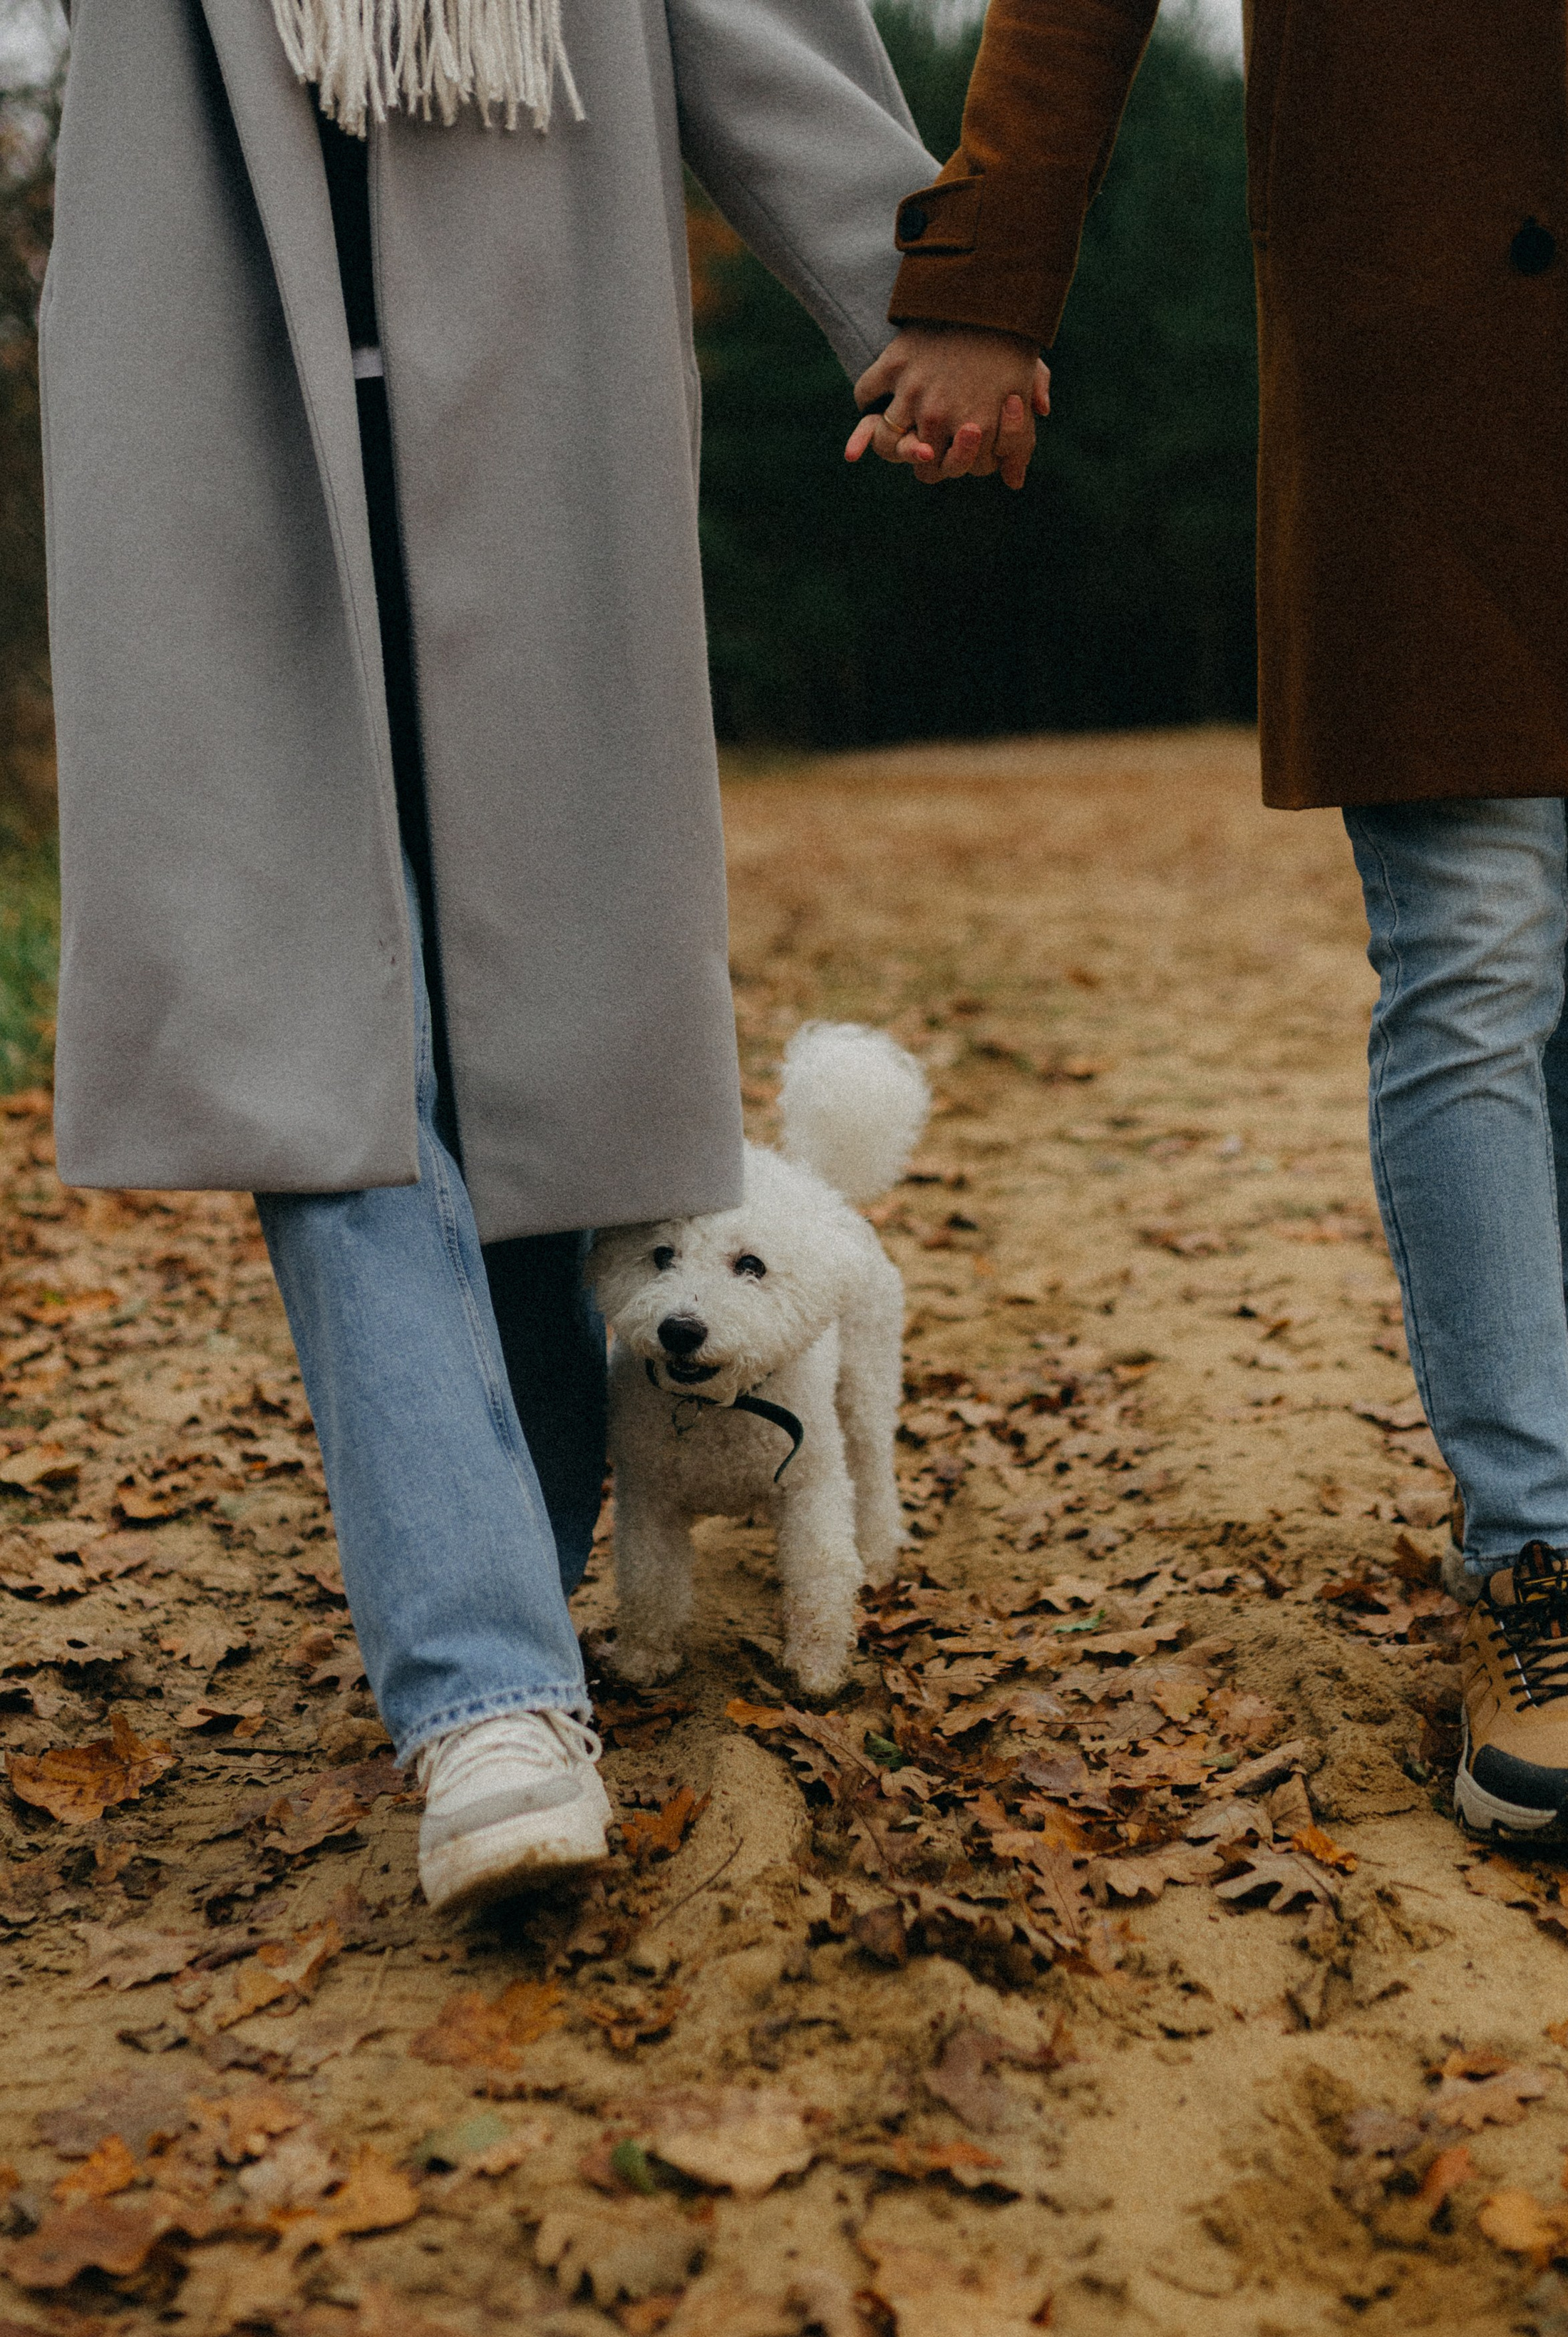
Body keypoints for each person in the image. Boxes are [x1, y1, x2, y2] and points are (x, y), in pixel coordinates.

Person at [850, 0, 1568, 1844]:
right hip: (1417, 296)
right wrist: (989, 273)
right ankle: (1540, 1565)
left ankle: (1537, 1511)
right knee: (1472, 950)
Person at [41, 0, 937, 1908]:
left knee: (541, 1047)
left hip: (538, 416)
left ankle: (507, 1559)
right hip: (214, 429)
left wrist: (935, 295)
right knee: (318, 1053)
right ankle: (487, 1695)